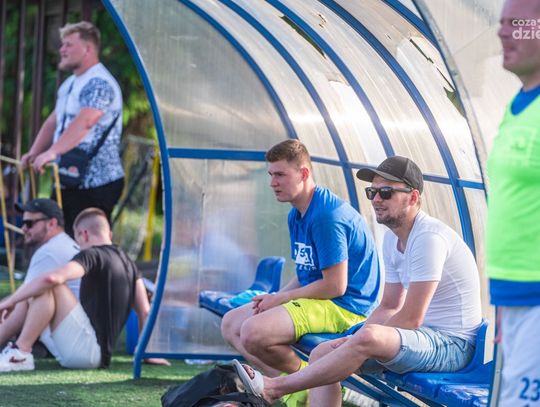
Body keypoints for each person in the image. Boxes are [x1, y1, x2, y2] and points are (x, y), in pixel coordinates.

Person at [233, 156, 482, 406]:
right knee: (322, 352)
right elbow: (389, 305)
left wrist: (358, 339)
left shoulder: (428, 238)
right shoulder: (392, 239)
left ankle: (275, 388)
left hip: (453, 345)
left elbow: (411, 318)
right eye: (372, 192)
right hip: (421, 337)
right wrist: (355, 338)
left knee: (369, 336)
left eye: (386, 192)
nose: (376, 199)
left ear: (413, 197)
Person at [221, 140, 380, 392]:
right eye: (271, 175)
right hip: (321, 301)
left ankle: (306, 385)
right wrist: (275, 297)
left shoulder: (326, 217)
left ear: (304, 173)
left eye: (280, 175)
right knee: (231, 324)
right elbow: (305, 272)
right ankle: (301, 394)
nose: (273, 182)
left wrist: (282, 299)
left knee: (253, 331)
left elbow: (335, 286)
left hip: (346, 307)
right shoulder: (296, 213)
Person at [0, 207, 167, 372]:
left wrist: (11, 301)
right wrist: (147, 353)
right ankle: (18, 350)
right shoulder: (129, 264)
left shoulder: (91, 255)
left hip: (86, 351)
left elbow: (52, 279)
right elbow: (145, 311)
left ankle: (20, 352)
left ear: (84, 234)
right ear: (109, 234)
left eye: (77, 240)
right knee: (40, 287)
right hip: (101, 356)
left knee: (48, 285)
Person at [21, 21, 124, 237]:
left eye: (68, 44)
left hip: (96, 183)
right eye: (62, 44)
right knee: (63, 239)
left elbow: (86, 121)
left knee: (88, 243)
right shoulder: (70, 84)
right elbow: (54, 121)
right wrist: (34, 152)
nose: (62, 50)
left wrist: (52, 152)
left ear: (87, 49)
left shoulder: (99, 83)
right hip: (69, 177)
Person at [487, 0, 540, 404]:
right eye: (502, 22)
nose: (503, 31)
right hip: (512, 295)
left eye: (518, 23)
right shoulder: (517, 105)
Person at [0, 198, 80, 359]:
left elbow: (20, 300)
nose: (23, 228)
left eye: (29, 223)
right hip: (74, 332)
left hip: (69, 341)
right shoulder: (64, 243)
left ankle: (20, 350)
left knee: (27, 296)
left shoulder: (49, 252)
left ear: (51, 224)